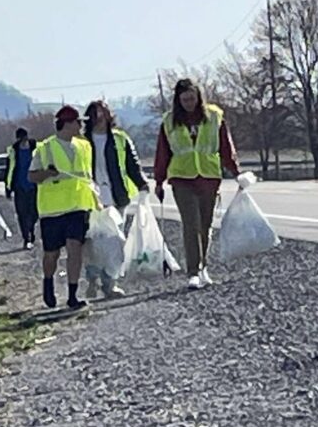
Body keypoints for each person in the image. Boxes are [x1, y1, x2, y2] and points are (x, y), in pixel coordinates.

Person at [154, 78, 241, 289]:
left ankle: (203, 268)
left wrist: (236, 172)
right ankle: (192, 271)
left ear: (198, 97)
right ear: (178, 100)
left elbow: (225, 147)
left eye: (192, 98)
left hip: (209, 177)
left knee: (205, 225)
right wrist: (159, 180)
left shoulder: (214, 116)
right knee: (191, 224)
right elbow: (162, 152)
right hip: (182, 178)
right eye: (184, 99)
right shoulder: (169, 120)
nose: (189, 103)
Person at [28, 105, 99, 310]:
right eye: (79, 122)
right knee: (52, 254)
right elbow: (31, 176)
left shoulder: (85, 146)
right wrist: (47, 173)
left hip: (78, 207)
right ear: (67, 124)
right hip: (52, 210)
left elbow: (88, 175)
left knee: (74, 248)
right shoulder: (45, 148)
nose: (81, 126)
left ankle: (72, 295)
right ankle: (48, 283)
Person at [82, 100, 149, 298]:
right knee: (93, 243)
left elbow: (132, 165)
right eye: (95, 114)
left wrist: (142, 183)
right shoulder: (82, 141)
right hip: (90, 199)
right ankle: (92, 280)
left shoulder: (121, 139)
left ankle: (110, 283)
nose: (99, 117)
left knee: (115, 241)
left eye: (102, 113)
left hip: (116, 196)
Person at [6, 127, 38, 250]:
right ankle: (27, 238)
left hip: (34, 185)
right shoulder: (13, 151)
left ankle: (31, 231)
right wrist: (8, 188)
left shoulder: (35, 148)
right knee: (22, 213)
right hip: (19, 186)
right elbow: (9, 169)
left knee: (34, 213)